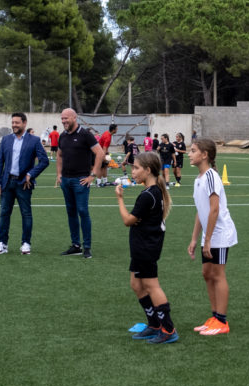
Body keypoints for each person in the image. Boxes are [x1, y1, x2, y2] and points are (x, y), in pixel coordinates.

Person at [115, 152, 178, 344]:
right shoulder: (151, 193)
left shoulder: (149, 195)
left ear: (148, 170)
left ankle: (168, 329)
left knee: (151, 286)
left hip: (146, 248)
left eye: (136, 168)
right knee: (136, 285)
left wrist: (119, 198)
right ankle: (154, 324)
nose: (133, 171)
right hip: (140, 246)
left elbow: (127, 220)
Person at [188, 138, 237, 336]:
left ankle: (222, 321)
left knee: (218, 274)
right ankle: (215, 317)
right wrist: (194, 239)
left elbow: (214, 210)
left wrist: (208, 240)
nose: (189, 154)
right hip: (209, 234)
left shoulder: (211, 177)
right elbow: (201, 210)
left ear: (205, 155)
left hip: (219, 234)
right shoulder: (198, 179)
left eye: (193, 150)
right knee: (207, 273)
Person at [0, 113, 49, 256]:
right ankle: (2, 243)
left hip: (24, 184)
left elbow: (44, 161)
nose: (14, 125)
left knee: (26, 214)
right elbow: (0, 162)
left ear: (24, 123)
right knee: (4, 213)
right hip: (7, 183)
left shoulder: (34, 140)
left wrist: (31, 174)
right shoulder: (6, 140)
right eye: (12, 122)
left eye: (17, 122)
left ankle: (25, 243)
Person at [56, 108, 104, 258]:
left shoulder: (85, 134)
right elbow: (59, 155)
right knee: (71, 213)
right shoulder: (62, 136)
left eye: (66, 118)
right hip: (66, 181)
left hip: (81, 181)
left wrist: (92, 175)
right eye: (62, 118)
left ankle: (87, 246)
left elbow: (100, 153)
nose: (64, 121)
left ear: (74, 118)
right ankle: (76, 245)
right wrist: (59, 174)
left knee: (82, 212)